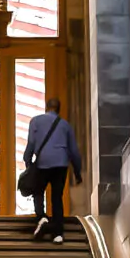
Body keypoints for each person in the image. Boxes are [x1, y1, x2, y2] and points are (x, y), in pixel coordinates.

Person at [22, 98, 80, 240]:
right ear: (59, 109)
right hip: (61, 164)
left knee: (38, 191)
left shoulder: (35, 121)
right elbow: (73, 150)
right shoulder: (65, 125)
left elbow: (31, 143)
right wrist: (77, 171)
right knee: (57, 197)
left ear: (46, 107)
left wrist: (28, 161)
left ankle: (42, 217)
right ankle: (58, 233)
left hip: (43, 162)